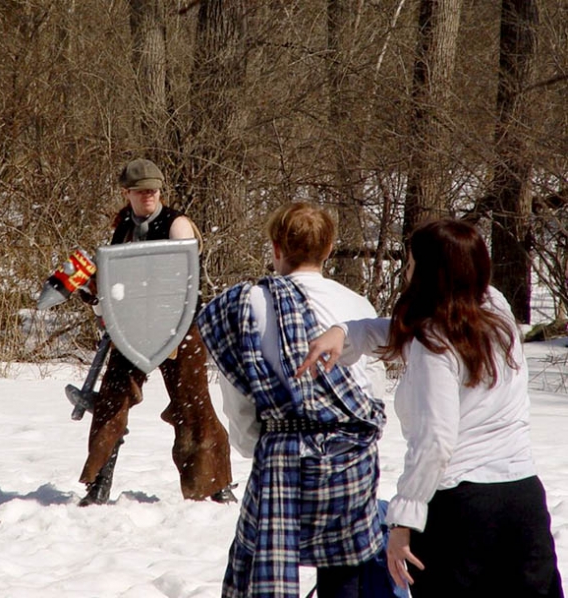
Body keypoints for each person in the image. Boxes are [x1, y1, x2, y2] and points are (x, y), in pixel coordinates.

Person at [297, 218, 564, 597]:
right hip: (523, 503)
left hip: (461, 512)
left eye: (409, 265)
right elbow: (404, 329)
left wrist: (403, 521)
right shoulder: (494, 309)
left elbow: (436, 442)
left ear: (431, 274)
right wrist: (347, 332)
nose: (405, 274)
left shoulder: (434, 343)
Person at [197, 201, 389, 598]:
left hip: (281, 456)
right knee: (346, 572)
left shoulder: (248, 305)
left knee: (260, 566)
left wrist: (259, 445)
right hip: (350, 459)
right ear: (330, 248)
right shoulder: (357, 307)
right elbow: (372, 389)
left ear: (276, 247)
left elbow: (237, 394)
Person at [77, 158, 235, 506]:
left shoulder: (177, 225)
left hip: (178, 327)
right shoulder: (122, 229)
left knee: (193, 406)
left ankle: (215, 485)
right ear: (127, 193)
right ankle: (98, 483)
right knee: (110, 401)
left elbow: (182, 282)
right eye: (141, 190)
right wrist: (91, 288)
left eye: (153, 189)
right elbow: (118, 282)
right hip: (132, 327)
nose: (148, 194)